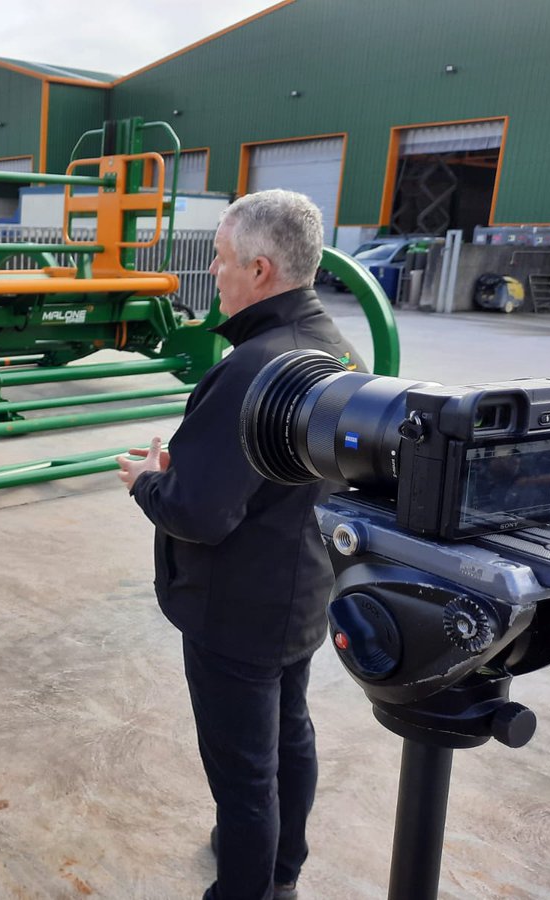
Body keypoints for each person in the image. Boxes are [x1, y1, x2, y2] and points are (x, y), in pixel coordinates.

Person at [117, 190, 363, 900]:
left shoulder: (254, 368)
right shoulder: (335, 348)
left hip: (236, 607)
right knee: (290, 734)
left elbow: (198, 512)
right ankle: (282, 863)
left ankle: (250, 885)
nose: (213, 275)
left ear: (260, 269)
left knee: (243, 769)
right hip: (303, 587)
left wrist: (145, 481)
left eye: (220, 261)